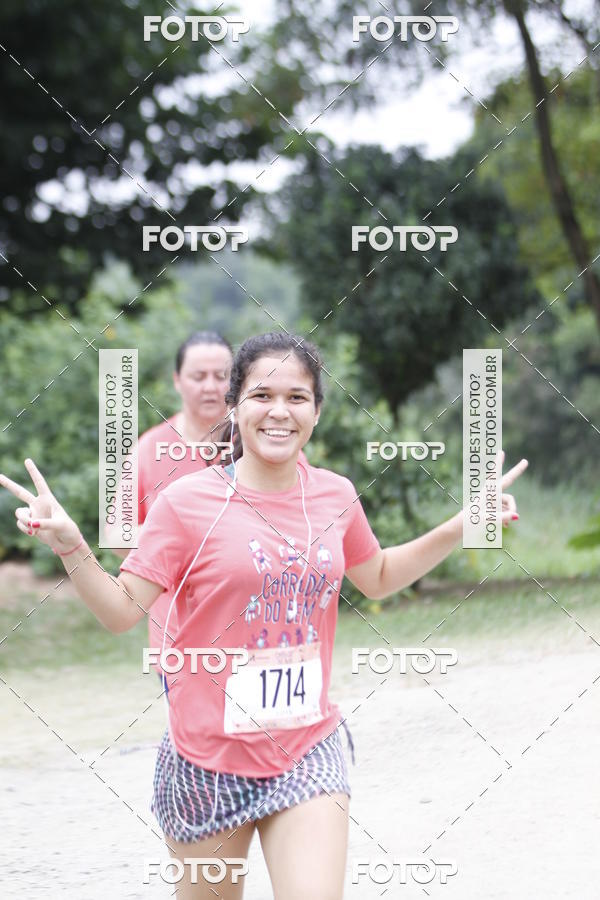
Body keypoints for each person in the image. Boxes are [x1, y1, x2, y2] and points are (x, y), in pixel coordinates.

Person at [0, 332, 528, 899]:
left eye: (298, 397)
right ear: (235, 408)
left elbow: (376, 575)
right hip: (207, 760)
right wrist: (72, 546)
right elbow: (121, 613)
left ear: (317, 412)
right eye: (261, 395)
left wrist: (462, 523)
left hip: (307, 748)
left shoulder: (335, 495)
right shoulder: (186, 504)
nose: (280, 411)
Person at [110, 330, 233, 685]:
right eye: (198, 376)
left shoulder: (259, 442)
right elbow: (118, 532)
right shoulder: (150, 448)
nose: (210, 387)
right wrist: (179, 546)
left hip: (255, 630)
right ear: (178, 381)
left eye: (221, 376)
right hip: (179, 641)